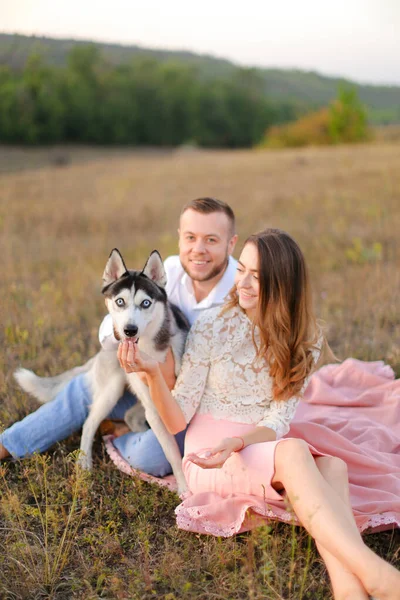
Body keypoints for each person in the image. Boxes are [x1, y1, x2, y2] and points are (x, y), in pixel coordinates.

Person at [118, 228, 400, 600]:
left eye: (259, 277)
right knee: (297, 452)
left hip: (257, 443)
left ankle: (348, 588)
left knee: (335, 467)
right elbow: (176, 421)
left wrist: (241, 439)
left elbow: (278, 421)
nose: (245, 284)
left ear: (284, 286)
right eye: (243, 271)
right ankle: (377, 575)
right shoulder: (212, 325)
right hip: (211, 454)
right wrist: (153, 376)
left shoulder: (304, 338)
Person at [0, 198, 238, 474]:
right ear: (180, 238)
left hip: (196, 403)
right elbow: (115, 321)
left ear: (231, 244)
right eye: (190, 237)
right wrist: (124, 331)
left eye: (211, 239)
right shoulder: (167, 270)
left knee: (152, 457)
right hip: (147, 380)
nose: (198, 249)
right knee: (82, 390)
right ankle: (9, 444)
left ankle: (121, 430)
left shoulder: (243, 288)